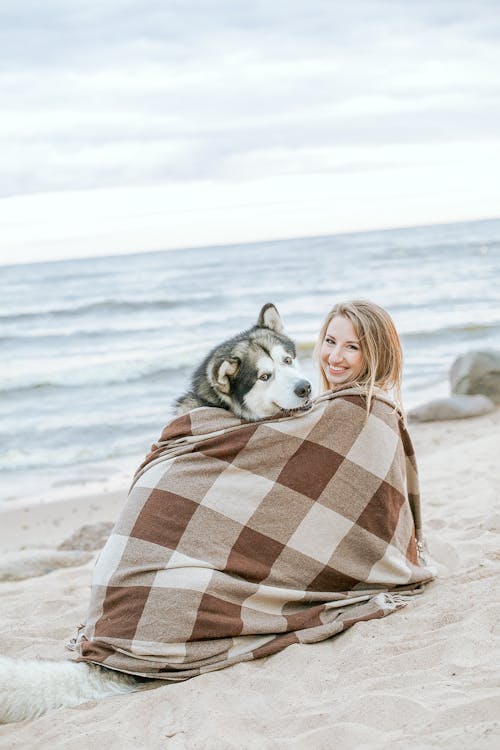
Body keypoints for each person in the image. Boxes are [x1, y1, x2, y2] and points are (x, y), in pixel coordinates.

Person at [314, 299, 403, 414]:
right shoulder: (329, 407)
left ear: (377, 356)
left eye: (351, 347)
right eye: (330, 341)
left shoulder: (357, 411)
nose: (334, 358)